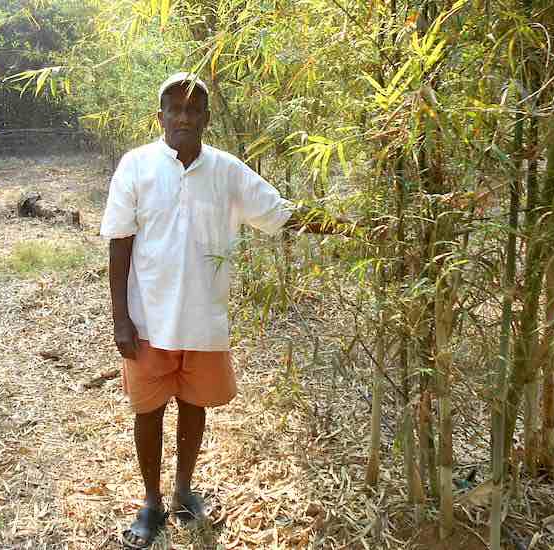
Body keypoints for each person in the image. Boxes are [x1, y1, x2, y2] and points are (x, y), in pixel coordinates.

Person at [99, 72, 356, 549]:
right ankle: (152, 502)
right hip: (148, 318)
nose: (182, 116)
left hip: (203, 318)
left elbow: (282, 212)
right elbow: (119, 241)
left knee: (194, 405)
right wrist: (120, 317)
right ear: (159, 118)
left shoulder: (227, 171)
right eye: (173, 109)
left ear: (206, 119)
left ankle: (182, 491)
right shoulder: (135, 166)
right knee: (149, 411)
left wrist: (352, 228)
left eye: (192, 109)